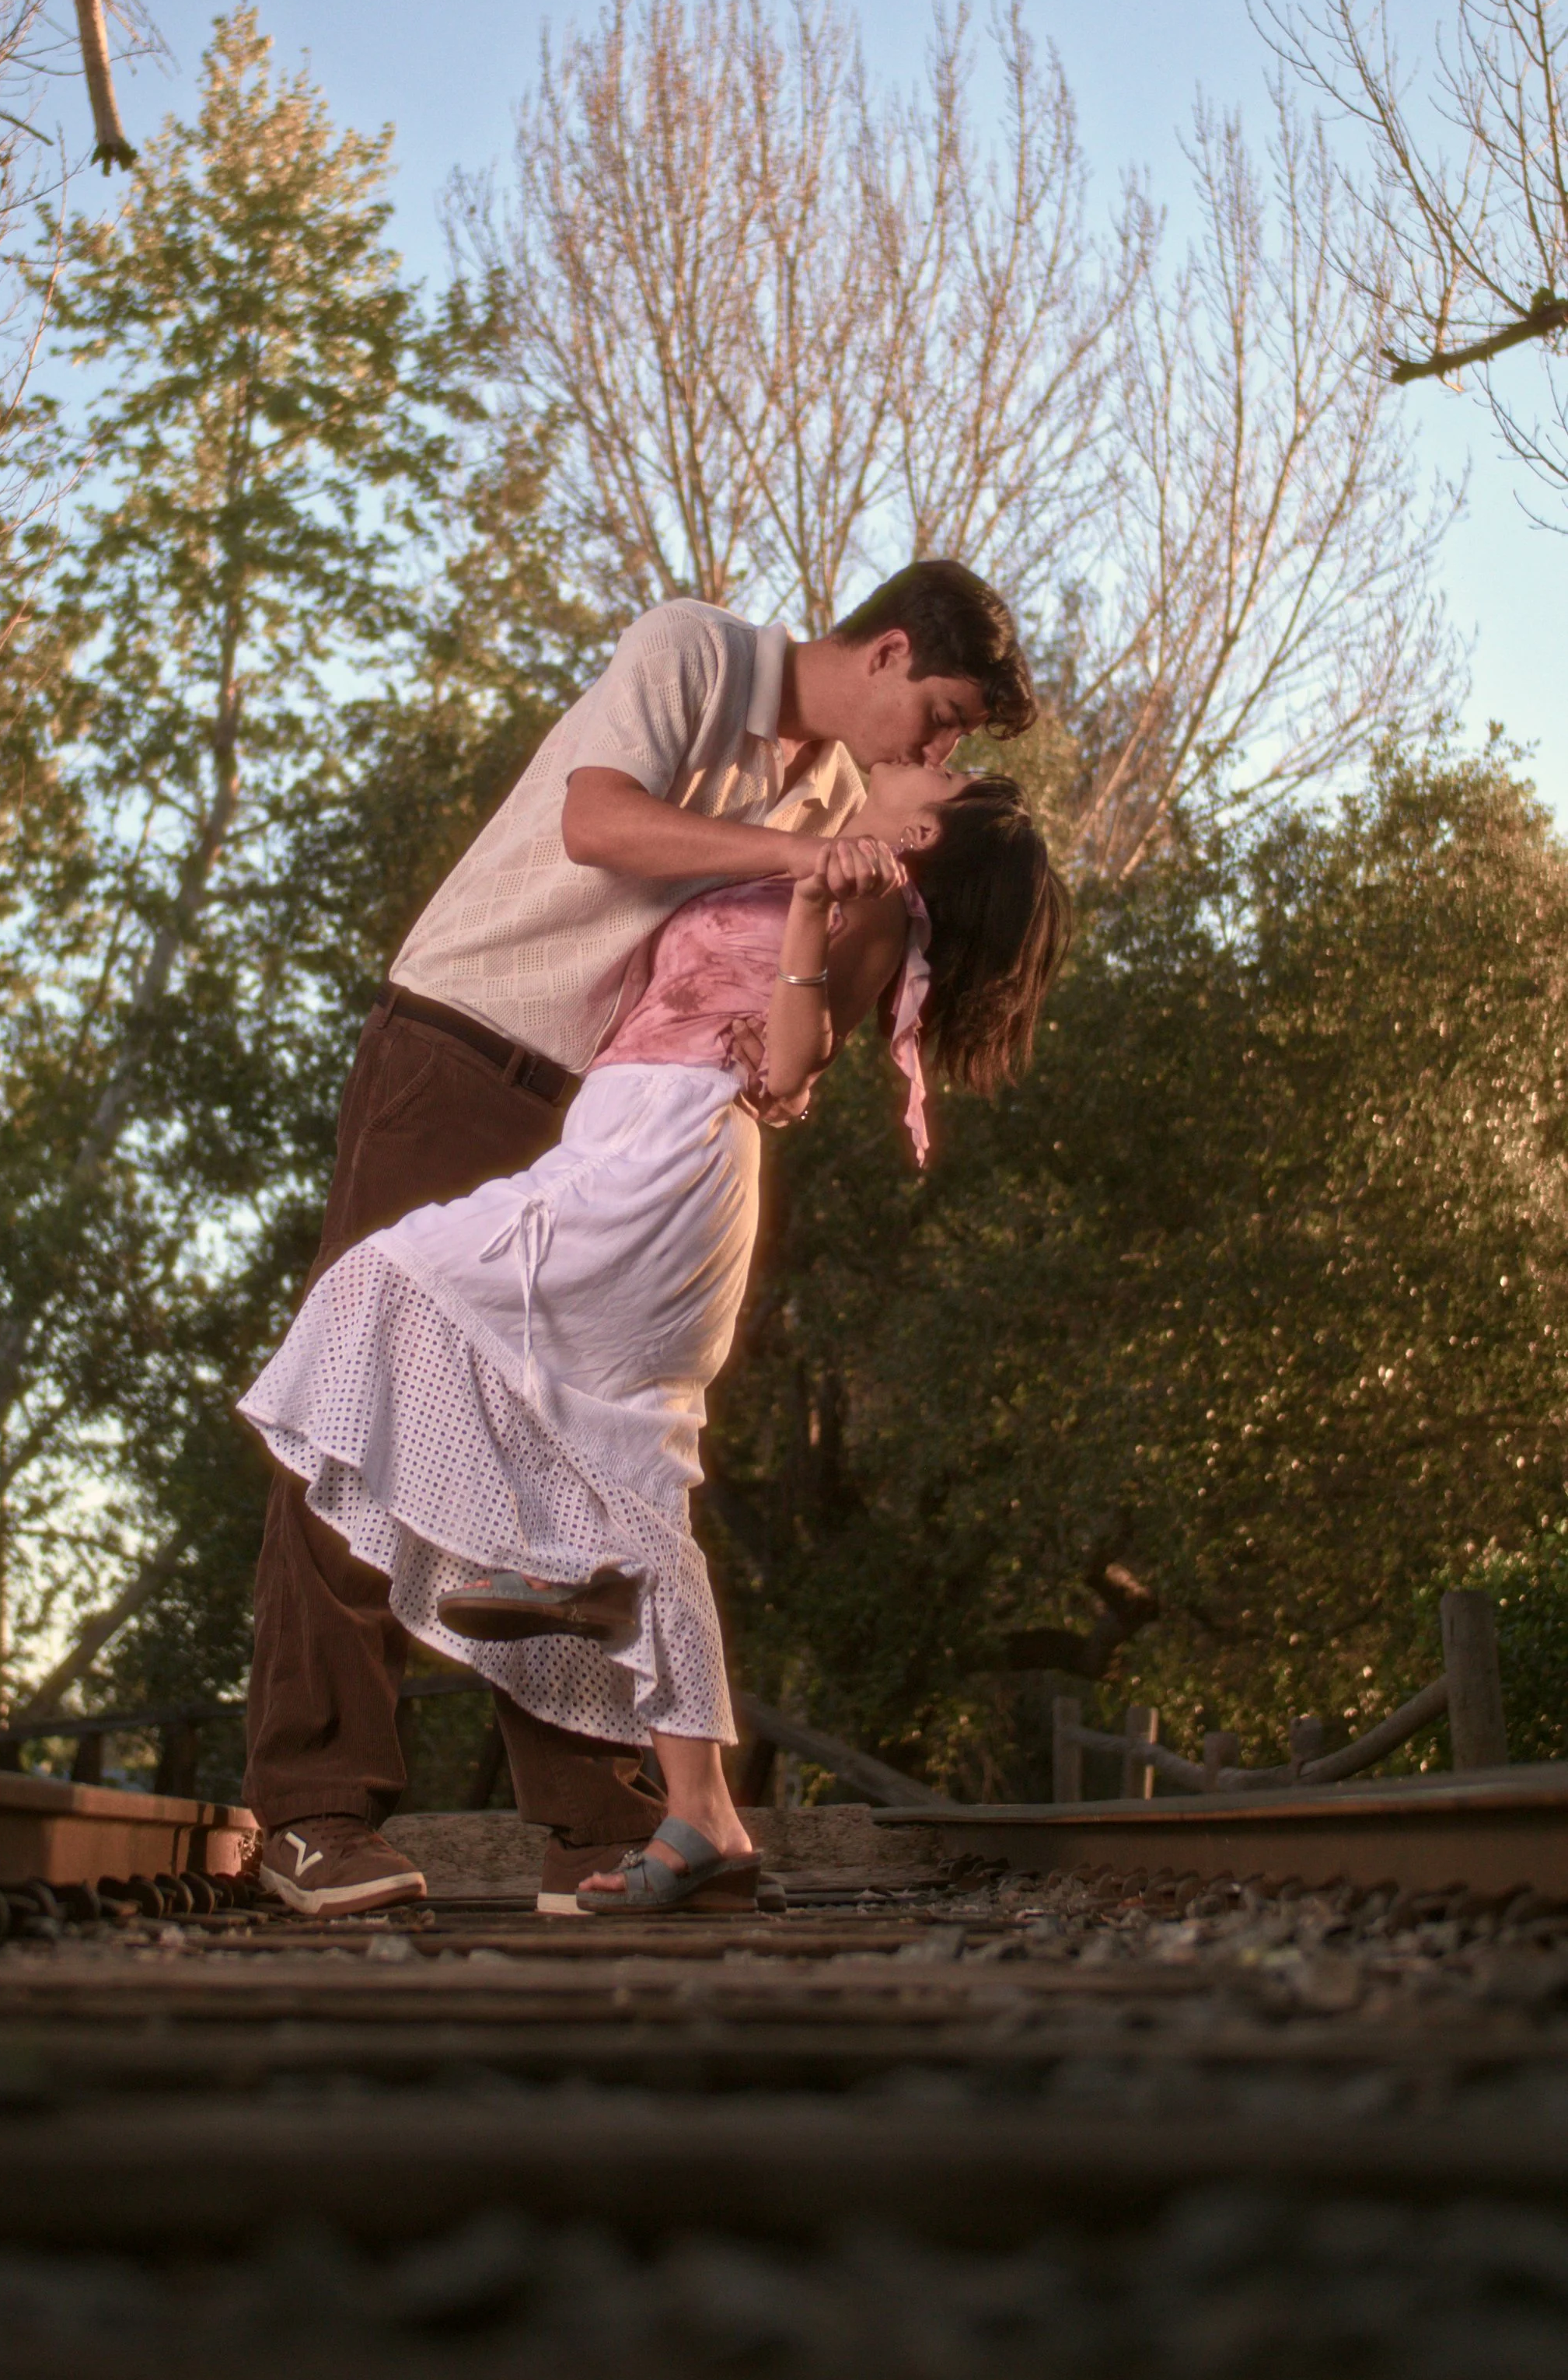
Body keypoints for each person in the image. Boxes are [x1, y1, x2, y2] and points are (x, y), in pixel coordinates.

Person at [240, 560, 1039, 1917]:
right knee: (362, 1373)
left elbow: (782, 1024)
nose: (941, 750)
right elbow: (598, 823)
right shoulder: (699, 657)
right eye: (947, 715)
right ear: (890, 650)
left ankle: (591, 1826)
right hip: (471, 1042)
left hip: (608, 1118)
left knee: (579, 1439)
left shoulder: (850, 800)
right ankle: (314, 1808)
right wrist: (803, 866)